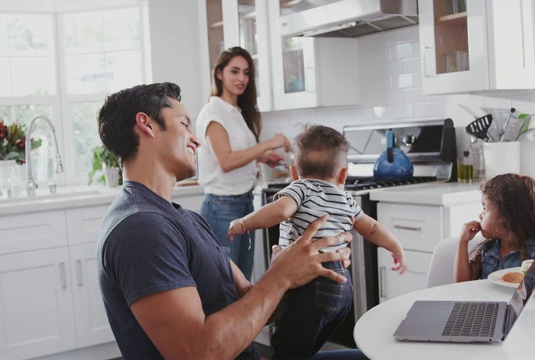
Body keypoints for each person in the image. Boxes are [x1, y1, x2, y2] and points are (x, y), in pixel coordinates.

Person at [96, 82, 362, 360]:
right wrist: (280, 276)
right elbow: (197, 352)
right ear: (146, 124)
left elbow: (248, 298)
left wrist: (305, 269)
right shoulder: (141, 228)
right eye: (185, 124)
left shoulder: (185, 219)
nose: (196, 139)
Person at [228, 125, 407, 359]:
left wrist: (244, 223)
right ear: (343, 174)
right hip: (342, 287)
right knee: (308, 345)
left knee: (288, 347)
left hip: (309, 284)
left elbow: (281, 211)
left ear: (294, 172)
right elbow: (372, 227)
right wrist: (396, 246)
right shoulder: (345, 198)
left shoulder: (300, 188)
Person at [196, 46, 291, 280]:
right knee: (226, 283)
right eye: (235, 71)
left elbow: (234, 151)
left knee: (242, 280)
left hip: (244, 202)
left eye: (246, 73)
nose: (242, 79)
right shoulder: (213, 112)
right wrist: (270, 142)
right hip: (221, 207)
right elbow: (226, 161)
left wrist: (262, 157)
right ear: (219, 73)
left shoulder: (236, 112)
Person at [454, 173, 535, 282]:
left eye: (485, 209)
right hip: (490, 303)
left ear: (507, 216)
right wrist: (463, 242)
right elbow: (461, 284)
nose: (480, 215)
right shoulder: (488, 249)